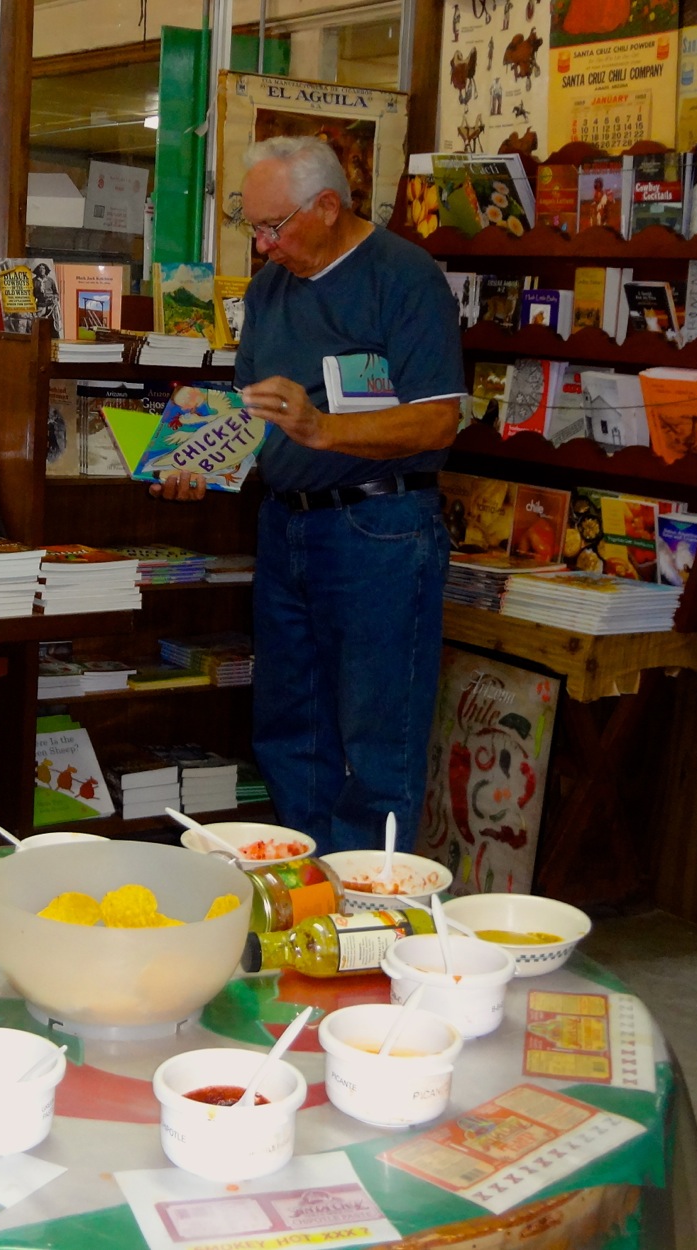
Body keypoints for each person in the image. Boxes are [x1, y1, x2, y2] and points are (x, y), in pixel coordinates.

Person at [151, 135, 464, 854]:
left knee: (378, 737)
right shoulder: (270, 290)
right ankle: (304, 887)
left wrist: (323, 430)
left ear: (326, 205)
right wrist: (197, 458)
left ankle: (368, 901)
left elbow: (438, 420)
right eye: (252, 227)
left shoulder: (404, 277)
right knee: (290, 729)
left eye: (274, 226)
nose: (262, 246)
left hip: (380, 527)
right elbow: (251, 416)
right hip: (285, 526)